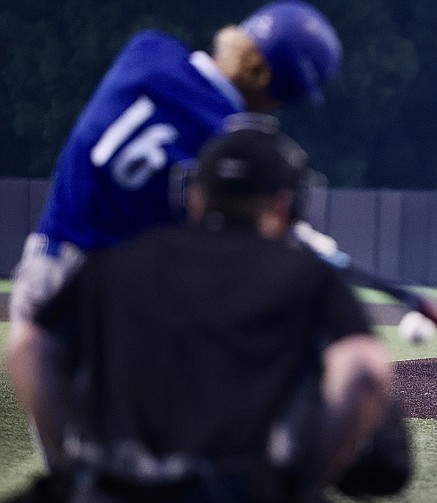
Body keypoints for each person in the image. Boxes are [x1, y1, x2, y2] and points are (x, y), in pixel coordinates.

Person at [6, 0, 341, 469]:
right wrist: (301, 242)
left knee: (75, 475)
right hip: (107, 304)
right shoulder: (224, 142)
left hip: (44, 272)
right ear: (267, 82)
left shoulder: (148, 51)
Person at [5, 123, 395, 502]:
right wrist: (303, 481)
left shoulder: (114, 263)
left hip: (111, 489)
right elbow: (364, 369)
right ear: (283, 204)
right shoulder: (306, 274)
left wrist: (74, 464)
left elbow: (27, 346)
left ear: (193, 196)